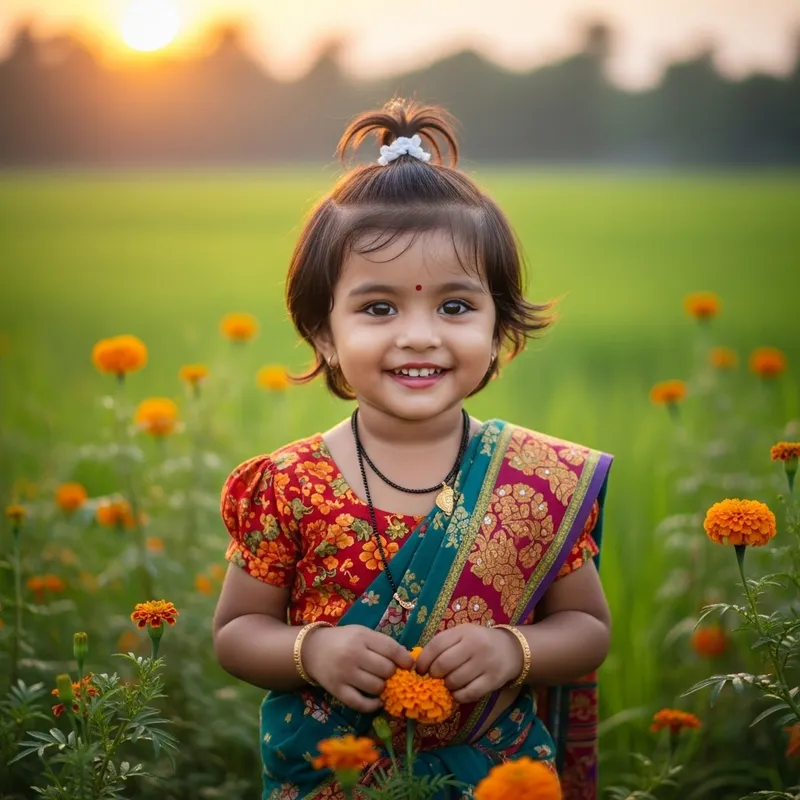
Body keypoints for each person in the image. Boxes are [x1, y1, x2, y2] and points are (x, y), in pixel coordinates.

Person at [212, 98, 614, 800]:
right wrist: (313, 650)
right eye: (378, 308)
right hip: (336, 779)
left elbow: (587, 628)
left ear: (498, 330)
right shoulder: (286, 485)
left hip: (496, 779)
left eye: (455, 307)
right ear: (323, 334)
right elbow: (238, 632)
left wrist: (513, 649)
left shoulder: (535, 482)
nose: (420, 335)